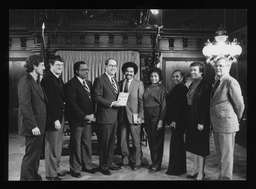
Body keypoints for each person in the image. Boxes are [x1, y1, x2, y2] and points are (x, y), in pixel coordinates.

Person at [210, 57, 244, 180]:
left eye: (221, 66)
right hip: (217, 124)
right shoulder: (217, 81)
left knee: (226, 156)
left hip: (226, 124)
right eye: (216, 66)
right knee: (220, 154)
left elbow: (239, 105)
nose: (218, 68)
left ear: (228, 67)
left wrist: (235, 119)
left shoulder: (231, 82)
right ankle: (222, 177)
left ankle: (226, 179)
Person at [64, 61, 96, 178]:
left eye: (87, 69)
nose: (86, 71)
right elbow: (73, 104)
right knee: (76, 145)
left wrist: (92, 114)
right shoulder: (70, 84)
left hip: (88, 120)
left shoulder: (89, 83)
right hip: (77, 120)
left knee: (87, 143)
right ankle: (75, 169)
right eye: (83, 69)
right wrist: (84, 116)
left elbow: (90, 101)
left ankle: (87, 165)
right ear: (77, 71)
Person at [18, 55, 46, 181]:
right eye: (42, 65)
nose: (44, 68)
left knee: (35, 155)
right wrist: (33, 125)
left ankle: (33, 177)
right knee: (30, 156)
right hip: (33, 126)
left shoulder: (36, 81)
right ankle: (26, 179)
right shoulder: (25, 80)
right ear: (34, 66)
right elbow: (25, 105)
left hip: (39, 125)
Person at [93, 58, 122, 176]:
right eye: (110, 66)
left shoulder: (115, 80)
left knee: (111, 143)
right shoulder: (100, 80)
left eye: (115, 66)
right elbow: (96, 97)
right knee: (104, 143)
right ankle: (103, 166)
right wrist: (111, 103)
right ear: (105, 66)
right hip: (104, 116)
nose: (113, 68)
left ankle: (109, 163)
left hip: (114, 116)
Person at [41, 55, 66, 181]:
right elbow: (48, 102)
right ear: (50, 65)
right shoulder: (47, 79)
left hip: (60, 116)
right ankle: (50, 174)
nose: (60, 67)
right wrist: (55, 119)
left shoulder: (58, 78)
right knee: (51, 146)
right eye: (58, 65)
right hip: (53, 119)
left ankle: (55, 169)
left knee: (57, 145)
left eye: (61, 65)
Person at [185, 61, 211, 180]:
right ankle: (195, 170)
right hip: (191, 119)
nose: (192, 72)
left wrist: (202, 121)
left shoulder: (206, 84)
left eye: (195, 70)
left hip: (200, 120)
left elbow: (205, 105)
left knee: (201, 148)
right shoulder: (192, 84)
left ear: (201, 71)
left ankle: (201, 173)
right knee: (193, 146)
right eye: (191, 70)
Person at [117, 62, 145, 171]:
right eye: (127, 71)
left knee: (136, 141)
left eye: (131, 72)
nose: (129, 73)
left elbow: (141, 101)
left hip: (134, 117)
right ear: (124, 72)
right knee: (123, 141)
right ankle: (125, 161)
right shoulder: (119, 83)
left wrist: (141, 117)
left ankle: (137, 162)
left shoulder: (139, 84)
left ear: (134, 73)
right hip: (122, 117)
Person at [143, 67, 168, 173]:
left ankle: (157, 165)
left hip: (157, 117)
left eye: (155, 76)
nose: (153, 78)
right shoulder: (148, 88)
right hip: (148, 117)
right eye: (152, 76)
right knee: (151, 141)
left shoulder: (162, 89)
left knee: (157, 142)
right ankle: (153, 162)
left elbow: (164, 106)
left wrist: (161, 120)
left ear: (159, 77)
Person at [165, 70, 188, 176]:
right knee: (178, 145)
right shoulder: (177, 88)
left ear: (182, 77)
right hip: (177, 121)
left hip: (178, 121)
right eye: (173, 76)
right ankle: (181, 168)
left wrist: (174, 120)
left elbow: (180, 107)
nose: (175, 78)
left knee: (176, 145)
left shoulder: (182, 88)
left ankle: (175, 170)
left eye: (177, 76)